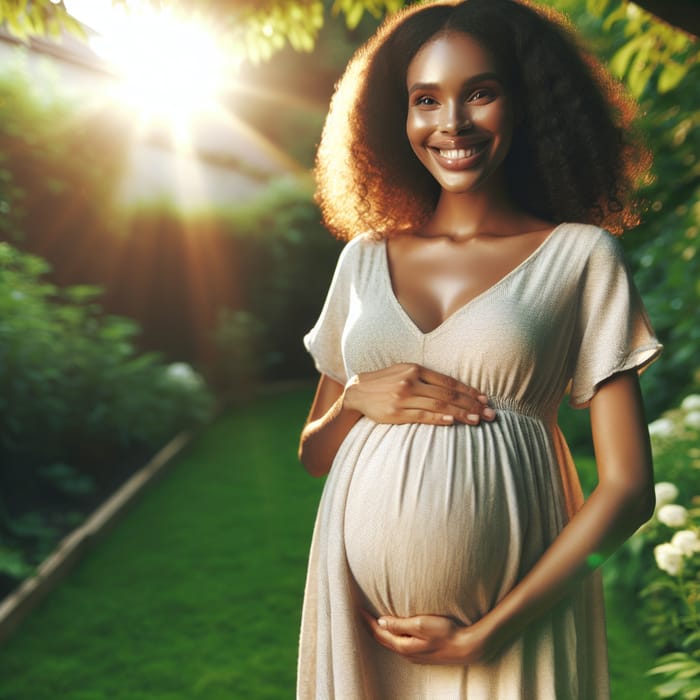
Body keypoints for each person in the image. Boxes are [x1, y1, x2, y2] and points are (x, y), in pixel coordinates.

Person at [297, 0, 662, 697]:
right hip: (364, 627)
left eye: (481, 93)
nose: (451, 123)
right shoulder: (364, 259)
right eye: (425, 99)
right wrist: (354, 400)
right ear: (396, 118)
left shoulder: (579, 257)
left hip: (511, 628)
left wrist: (489, 631)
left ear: (524, 103)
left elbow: (627, 489)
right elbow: (315, 454)